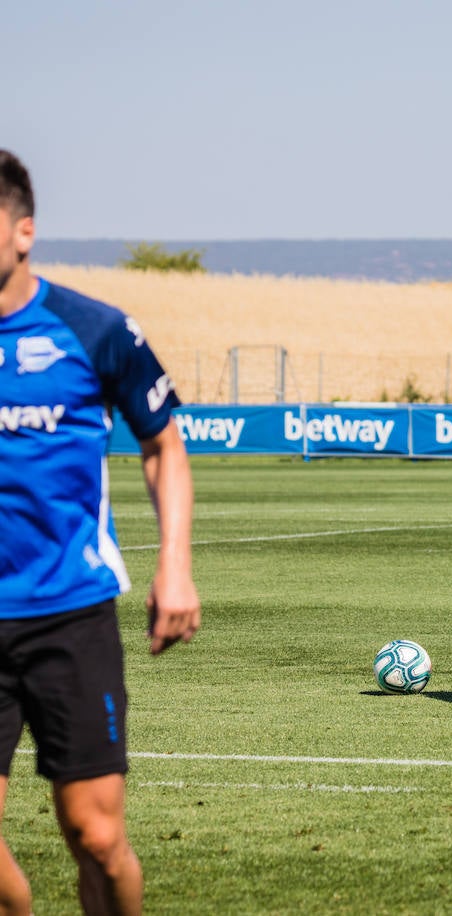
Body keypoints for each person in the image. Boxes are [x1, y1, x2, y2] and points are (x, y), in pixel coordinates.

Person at [0, 149, 201, 914]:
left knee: (93, 834)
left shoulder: (95, 329)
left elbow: (163, 444)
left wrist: (173, 567)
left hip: (66, 616)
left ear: (24, 231)